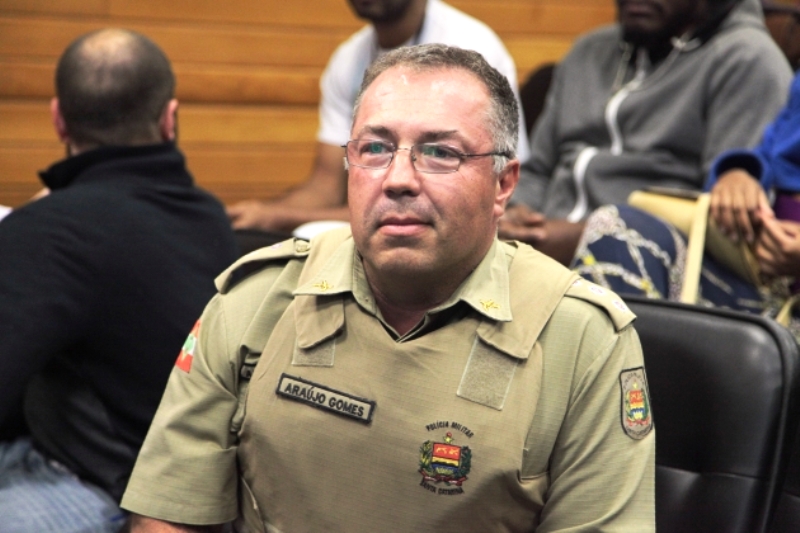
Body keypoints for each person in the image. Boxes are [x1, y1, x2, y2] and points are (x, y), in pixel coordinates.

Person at [121, 44, 654, 532]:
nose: (398, 178)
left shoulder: (581, 338)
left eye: (440, 152)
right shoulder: (260, 297)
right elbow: (169, 515)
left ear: (503, 184)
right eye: (375, 148)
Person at [0, 29, 239, 532]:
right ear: (170, 118)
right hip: (202, 490)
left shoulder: (50, 231)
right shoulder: (212, 217)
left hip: (106, 492)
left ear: (58, 119)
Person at [499, 0, 792, 266]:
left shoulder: (746, 58)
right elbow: (538, 170)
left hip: (655, 265)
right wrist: (515, 213)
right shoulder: (588, 51)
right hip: (541, 246)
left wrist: (592, 237)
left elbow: (721, 217)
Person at [226, 0, 528, 236]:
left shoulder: (471, 51)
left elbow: (472, 192)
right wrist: (263, 214)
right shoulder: (348, 59)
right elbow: (326, 185)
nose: (399, 176)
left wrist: (280, 217)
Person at [573, 71, 800, 338]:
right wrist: (739, 174)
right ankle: (617, 364)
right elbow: (772, 151)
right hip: (754, 272)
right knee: (615, 228)